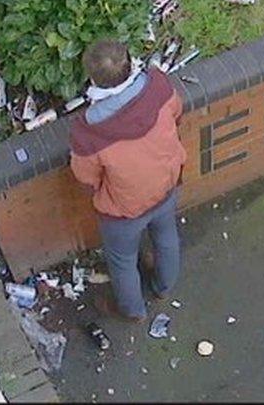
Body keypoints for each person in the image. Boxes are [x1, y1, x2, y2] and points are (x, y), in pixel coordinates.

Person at [69, 39, 187, 321]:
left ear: (93, 78)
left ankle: (133, 311)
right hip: (166, 186)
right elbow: (177, 113)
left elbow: (85, 177)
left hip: (123, 211)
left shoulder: (89, 132)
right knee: (166, 237)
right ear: (129, 61)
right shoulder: (159, 87)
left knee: (122, 262)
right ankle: (163, 287)